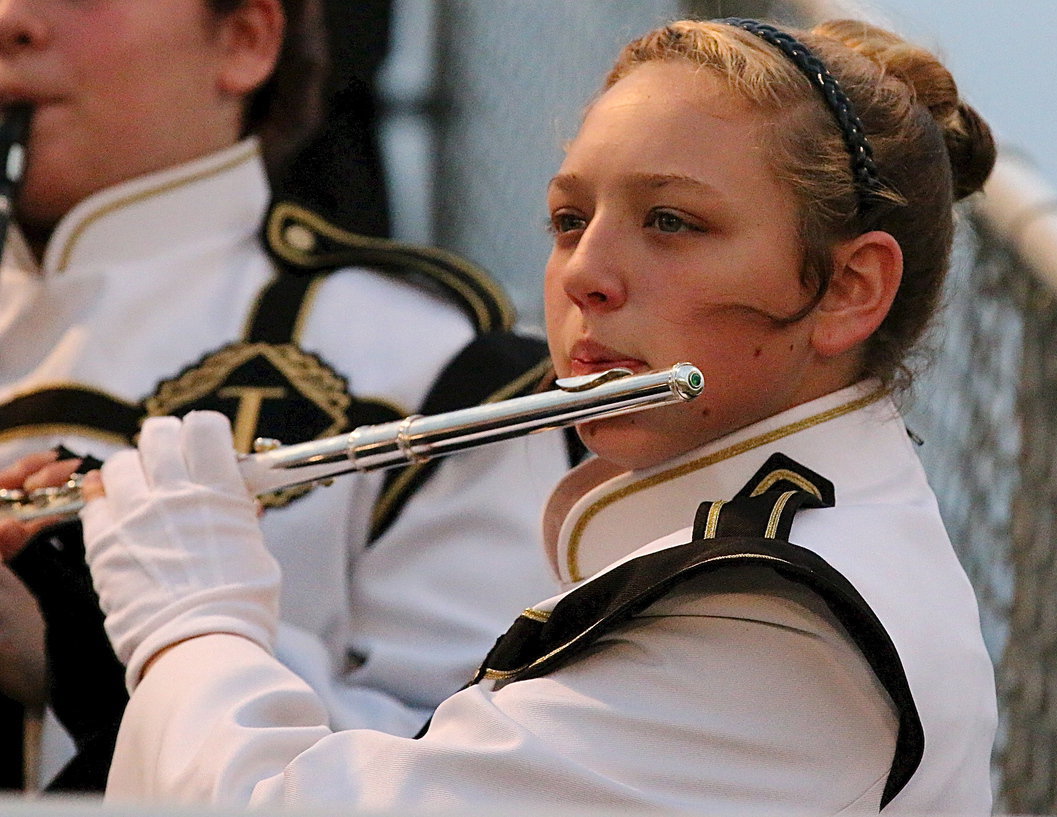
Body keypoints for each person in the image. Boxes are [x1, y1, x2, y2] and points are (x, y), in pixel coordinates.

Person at [77, 16, 998, 814]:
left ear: (849, 287)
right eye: (568, 219)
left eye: (671, 222)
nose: (583, 275)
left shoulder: (776, 623)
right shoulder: (757, 554)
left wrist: (189, 615)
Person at [0, 0, 566, 791]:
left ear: (244, 40)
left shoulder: (426, 366)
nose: (12, 20)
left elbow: (467, 770)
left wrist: (71, 652)